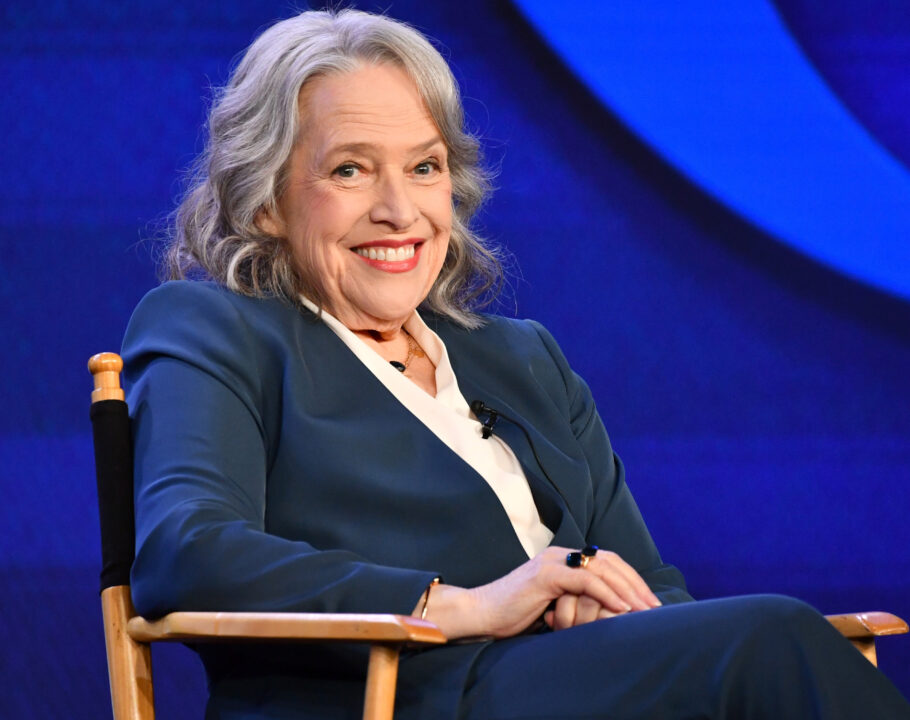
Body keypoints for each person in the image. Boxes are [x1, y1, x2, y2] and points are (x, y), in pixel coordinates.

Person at [122, 9, 910, 719]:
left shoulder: (523, 358)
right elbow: (186, 551)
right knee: (770, 636)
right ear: (266, 201)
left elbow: (650, 588)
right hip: (409, 695)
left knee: (757, 647)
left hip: (577, 688)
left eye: (425, 167)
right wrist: (464, 606)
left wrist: (603, 609)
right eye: (350, 170)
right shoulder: (215, 329)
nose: (401, 210)